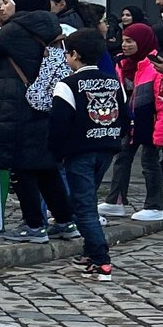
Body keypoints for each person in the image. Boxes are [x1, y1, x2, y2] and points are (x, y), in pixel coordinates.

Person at [0, 0, 73, 242]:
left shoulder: (17, 29)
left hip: (19, 108)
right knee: (46, 168)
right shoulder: (52, 26)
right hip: (45, 104)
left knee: (22, 168)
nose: (5, 6)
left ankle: (34, 225)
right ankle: (66, 221)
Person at [50, 30, 127, 280]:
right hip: (106, 148)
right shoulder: (113, 80)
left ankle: (101, 259)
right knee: (88, 198)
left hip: (78, 151)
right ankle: (88, 254)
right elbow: (124, 116)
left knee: (83, 208)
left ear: (74, 55)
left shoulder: (67, 84)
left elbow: (59, 123)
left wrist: (57, 152)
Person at [104, 22, 163, 223]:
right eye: (123, 40)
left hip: (149, 120)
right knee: (121, 158)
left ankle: (155, 205)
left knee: (150, 162)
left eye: (130, 41)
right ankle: (116, 200)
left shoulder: (156, 66)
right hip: (127, 120)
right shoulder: (121, 63)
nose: (125, 45)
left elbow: (162, 102)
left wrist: (161, 130)